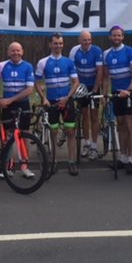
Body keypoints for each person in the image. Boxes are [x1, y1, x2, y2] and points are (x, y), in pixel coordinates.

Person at [35, 33, 80, 176]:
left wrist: (67, 97)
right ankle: (54, 161)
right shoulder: (43, 62)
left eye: (60, 43)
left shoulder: (68, 62)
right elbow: (36, 82)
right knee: (53, 133)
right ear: (50, 44)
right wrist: (44, 98)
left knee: (71, 132)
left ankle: (71, 162)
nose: (58, 46)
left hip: (66, 100)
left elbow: (76, 82)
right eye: (55, 43)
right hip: (52, 102)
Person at [0, 42, 36, 178]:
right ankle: (7, 167)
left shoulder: (28, 66)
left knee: (25, 135)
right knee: (8, 137)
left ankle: (24, 167)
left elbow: (29, 89)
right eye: (13, 51)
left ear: (22, 52)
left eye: (18, 51)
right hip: (7, 106)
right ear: (8, 53)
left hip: (22, 104)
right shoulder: (2, 66)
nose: (15, 53)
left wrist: (11, 100)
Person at [102, 25, 132, 175]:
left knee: (130, 126)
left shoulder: (130, 51)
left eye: (119, 35)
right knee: (121, 124)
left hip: (130, 92)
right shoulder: (106, 54)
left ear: (123, 37)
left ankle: (131, 159)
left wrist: (129, 90)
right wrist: (105, 95)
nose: (116, 38)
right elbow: (106, 78)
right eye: (114, 35)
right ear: (109, 37)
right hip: (116, 93)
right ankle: (123, 157)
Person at [68, 30, 103, 160]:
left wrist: (95, 89)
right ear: (79, 40)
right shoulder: (74, 51)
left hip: (93, 86)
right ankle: (86, 144)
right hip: (81, 87)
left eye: (89, 39)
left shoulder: (96, 50)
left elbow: (100, 72)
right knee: (84, 116)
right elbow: (72, 71)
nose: (87, 42)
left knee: (94, 116)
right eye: (84, 40)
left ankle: (94, 146)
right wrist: (76, 87)